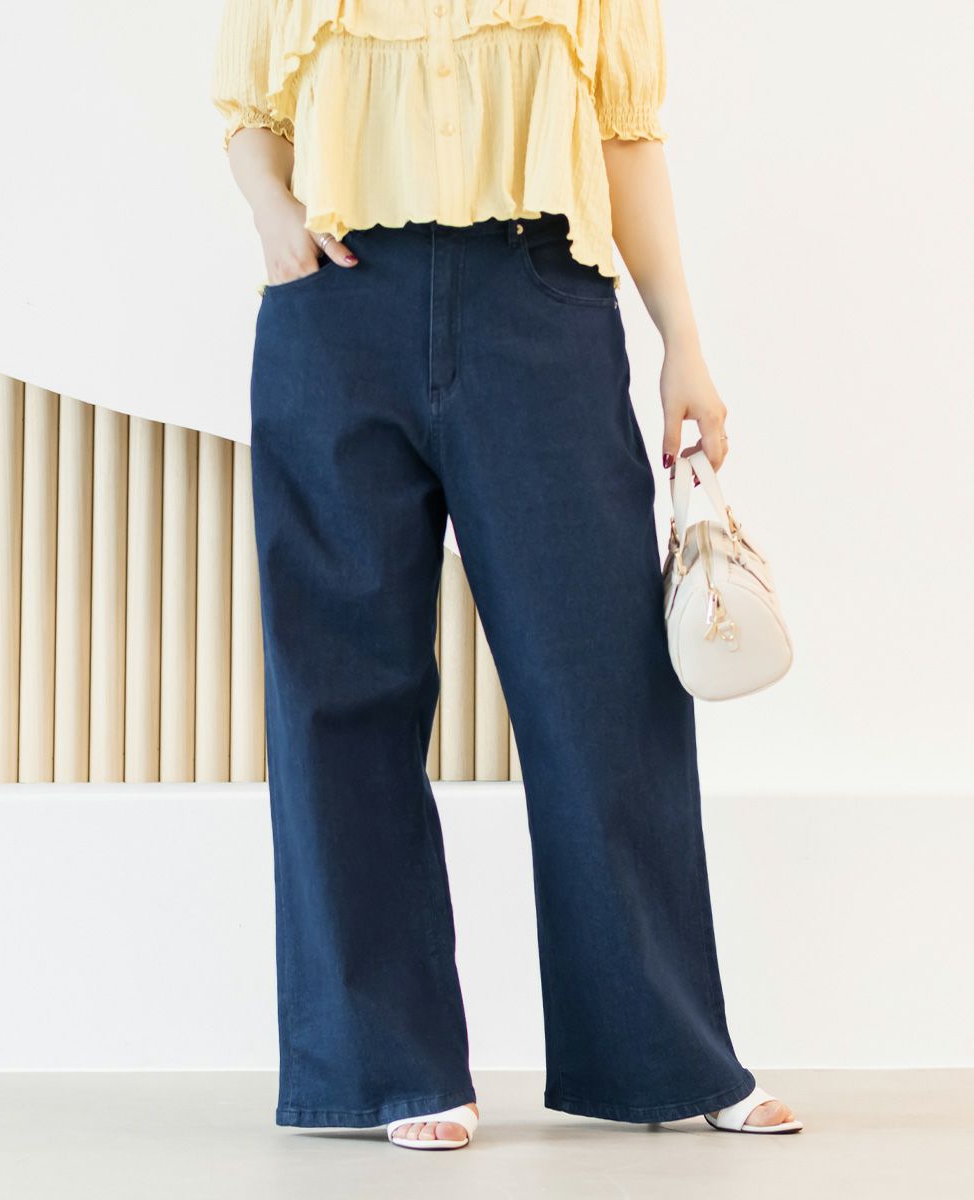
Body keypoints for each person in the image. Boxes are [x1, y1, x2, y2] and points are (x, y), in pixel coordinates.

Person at [211, 0, 802, 1150]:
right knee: (339, 692)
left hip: (542, 303)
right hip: (336, 305)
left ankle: (666, 1054)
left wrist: (681, 340)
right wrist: (274, 217)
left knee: (605, 690)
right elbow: (246, 115)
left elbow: (626, 139)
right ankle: (391, 1068)